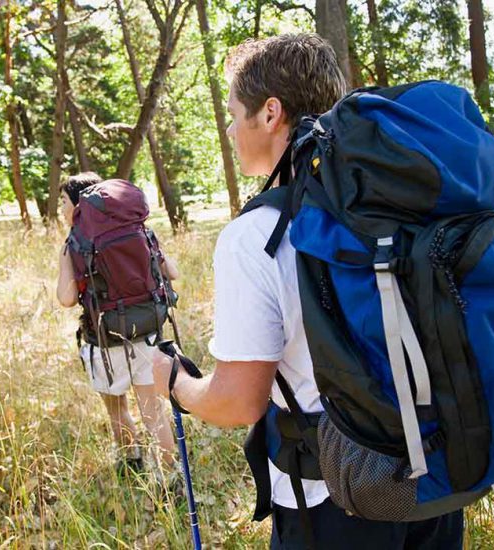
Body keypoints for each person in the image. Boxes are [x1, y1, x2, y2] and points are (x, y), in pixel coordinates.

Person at [150, 34, 464, 549]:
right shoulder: (400, 208)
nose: (229, 129)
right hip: (435, 478)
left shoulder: (256, 236)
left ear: (270, 113)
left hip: (336, 498)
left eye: (234, 113)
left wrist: (176, 384)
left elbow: (237, 403)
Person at [56, 172, 179, 477]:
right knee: (153, 411)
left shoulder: (74, 243)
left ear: (78, 203)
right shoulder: (139, 230)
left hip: (105, 340)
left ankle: (131, 463)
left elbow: (66, 298)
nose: (60, 208)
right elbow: (171, 272)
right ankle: (172, 475)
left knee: (117, 408)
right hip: (147, 332)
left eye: (63, 201)